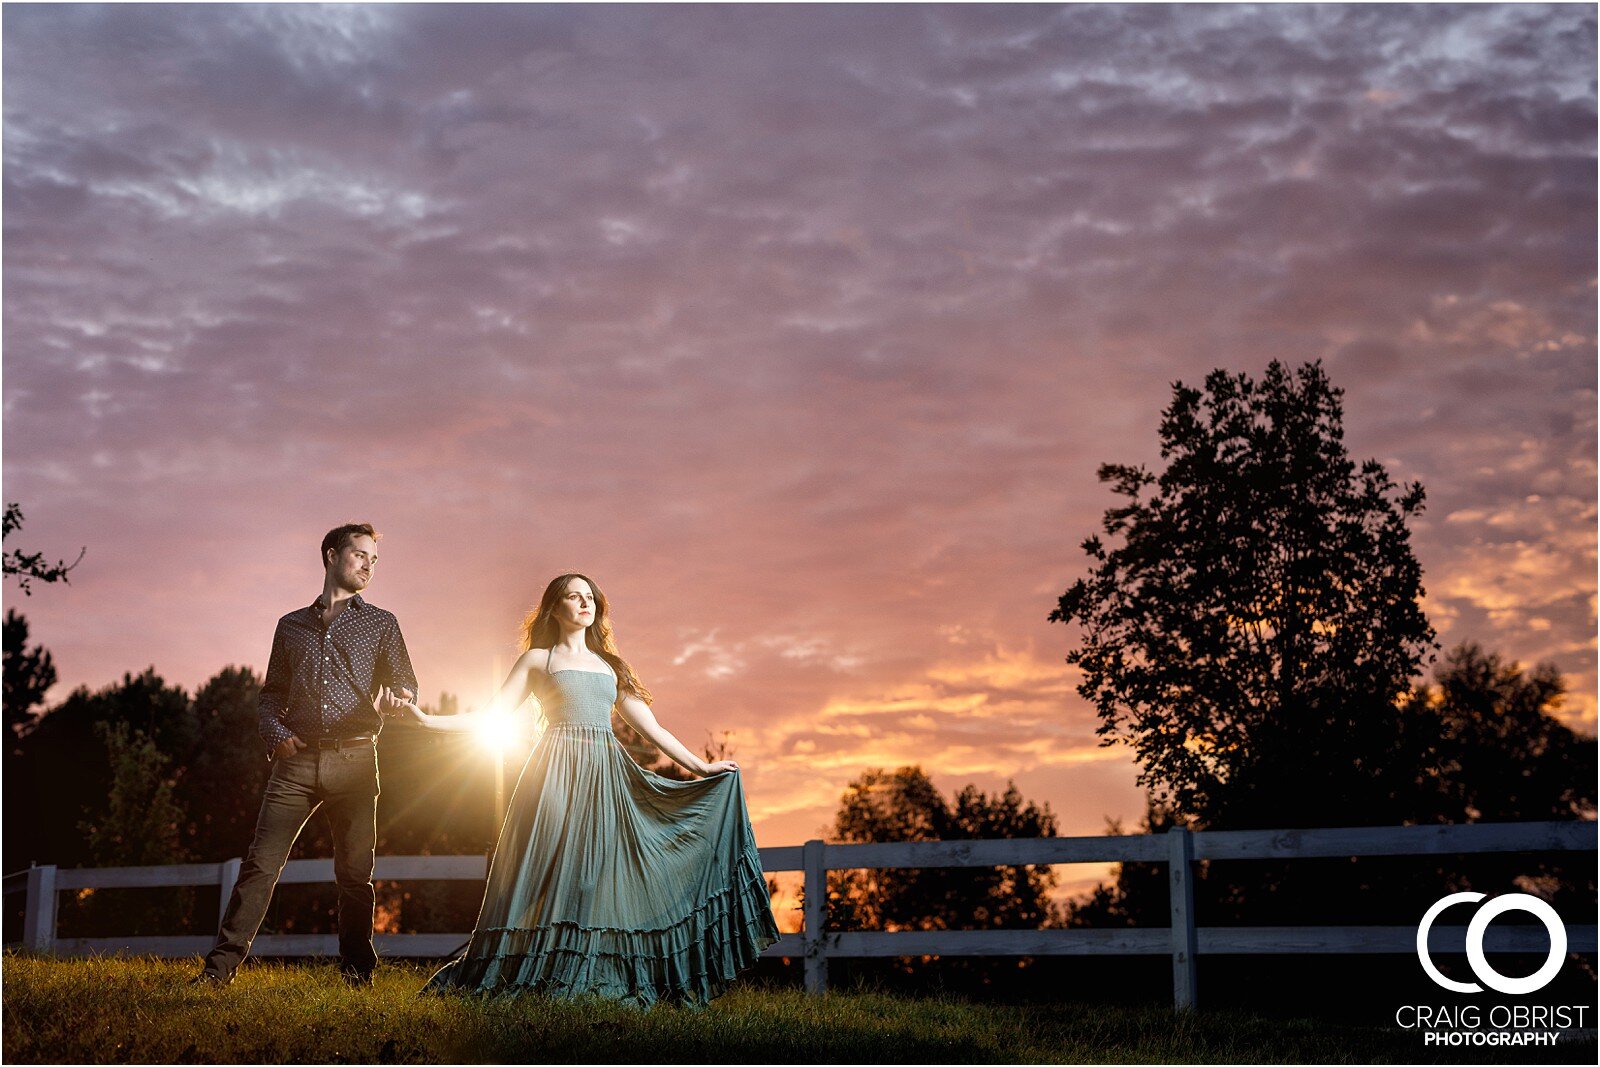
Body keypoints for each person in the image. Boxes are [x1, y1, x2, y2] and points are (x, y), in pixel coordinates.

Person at [402, 572, 779, 1007]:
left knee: (595, 876)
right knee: (542, 873)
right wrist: (427, 721)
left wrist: (700, 766)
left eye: (590, 597)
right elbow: (490, 716)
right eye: (573, 596)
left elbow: (650, 727)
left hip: (605, 777)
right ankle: (523, 966)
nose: (584, 603)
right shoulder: (537, 661)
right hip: (552, 776)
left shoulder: (610, 667)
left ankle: (586, 968)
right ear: (554, 607)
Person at [194, 523, 419, 988]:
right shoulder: (290, 625)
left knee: (355, 875)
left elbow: (405, 682)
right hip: (294, 765)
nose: (368, 566)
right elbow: (271, 694)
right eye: (360, 555)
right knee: (260, 867)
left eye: (374, 560)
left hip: (356, 761)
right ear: (333, 556)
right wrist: (275, 733)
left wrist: (400, 697)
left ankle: (358, 976)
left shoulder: (382, 623)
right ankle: (217, 973)